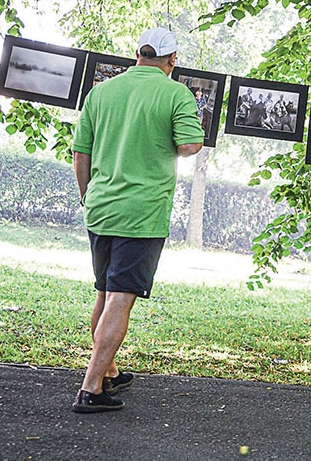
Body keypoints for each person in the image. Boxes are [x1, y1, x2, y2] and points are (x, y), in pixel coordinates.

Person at [71, 27, 204, 413]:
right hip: (142, 213)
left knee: (104, 290)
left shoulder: (102, 92)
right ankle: (91, 387)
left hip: (100, 207)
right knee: (121, 297)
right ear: (172, 60)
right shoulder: (176, 93)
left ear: (137, 54)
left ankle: (109, 369)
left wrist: (87, 195)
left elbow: (81, 154)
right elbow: (188, 145)